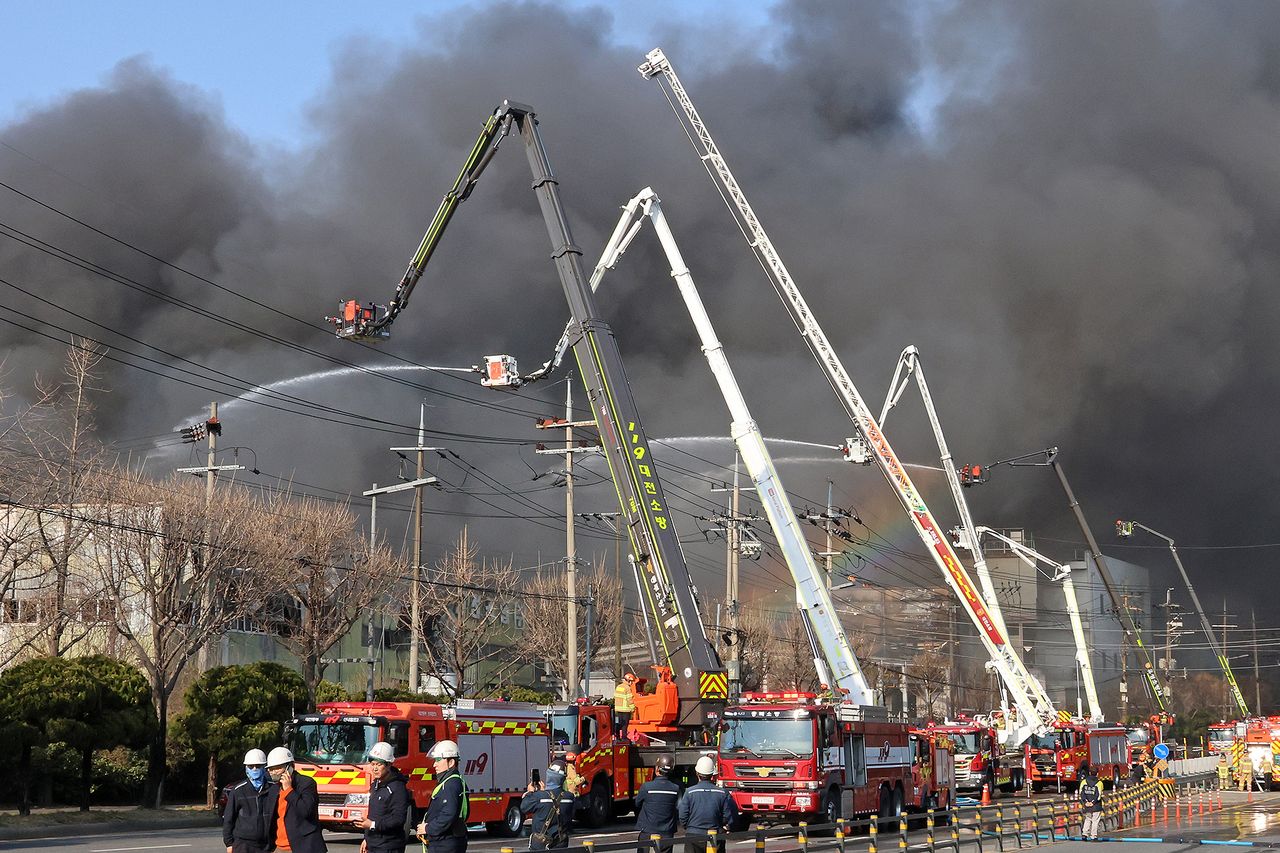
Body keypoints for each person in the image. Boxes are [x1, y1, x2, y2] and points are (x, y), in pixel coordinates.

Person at [267, 746, 327, 853]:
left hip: (304, 847)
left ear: (290, 767)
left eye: (277, 768)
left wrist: (289, 790)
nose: (274, 772)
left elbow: (305, 811)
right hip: (279, 847)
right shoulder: (274, 789)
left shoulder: (306, 783)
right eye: (271, 769)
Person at [417, 740, 469, 853]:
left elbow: (448, 814)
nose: (434, 764)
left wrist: (427, 828)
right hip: (446, 841)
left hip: (446, 844)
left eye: (438, 760)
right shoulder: (452, 781)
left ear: (451, 763)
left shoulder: (450, 784)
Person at [223, 748, 278, 853]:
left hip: (266, 845)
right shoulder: (238, 791)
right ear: (246, 768)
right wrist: (229, 843)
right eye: (250, 766)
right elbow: (228, 819)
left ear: (264, 767)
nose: (254, 769)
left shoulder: (274, 789)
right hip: (243, 845)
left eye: (258, 766)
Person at [360, 741, 410, 853]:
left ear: (389, 765)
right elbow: (372, 814)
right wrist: (367, 839)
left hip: (389, 846)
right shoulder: (375, 785)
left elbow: (398, 819)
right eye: (372, 764)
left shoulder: (398, 788)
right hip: (374, 844)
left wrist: (373, 825)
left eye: (379, 764)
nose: (375, 768)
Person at [679, 756, 736, 853]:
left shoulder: (689, 792)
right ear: (712, 775)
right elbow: (728, 815)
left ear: (697, 773)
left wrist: (690, 827)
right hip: (715, 834)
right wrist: (721, 826)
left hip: (693, 834)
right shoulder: (722, 793)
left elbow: (683, 816)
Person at [521, 760, 574, 850]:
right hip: (560, 843)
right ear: (563, 779)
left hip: (540, 844)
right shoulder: (570, 797)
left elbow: (524, 807)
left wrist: (530, 792)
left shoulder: (539, 796)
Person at [634, 755, 680, 853]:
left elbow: (637, 803)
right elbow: (678, 807)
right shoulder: (675, 789)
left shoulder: (646, 787)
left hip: (648, 830)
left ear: (657, 769)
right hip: (667, 832)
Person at [1078, 766, 1103, 841]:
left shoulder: (1084, 782)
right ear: (1097, 774)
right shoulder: (1099, 783)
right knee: (1095, 820)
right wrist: (1093, 802)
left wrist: (1085, 802)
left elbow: (1081, 793)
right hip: (1096, 805)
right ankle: (1093, 836)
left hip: (1086, 805)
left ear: (1089, 773)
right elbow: (1099, 795)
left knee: (1087, 819)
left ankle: (1084, 834)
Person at [614, 674, 637, 741]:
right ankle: (624, 737)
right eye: (631, 681)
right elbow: (629, 699)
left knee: (620, 723)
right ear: (628, 681)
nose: (632, 683)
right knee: (625, 724)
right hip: (626, 709)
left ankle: (617, 736)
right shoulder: (627, 688)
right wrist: (633, 708)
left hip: (618, 709)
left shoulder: (618, 687)